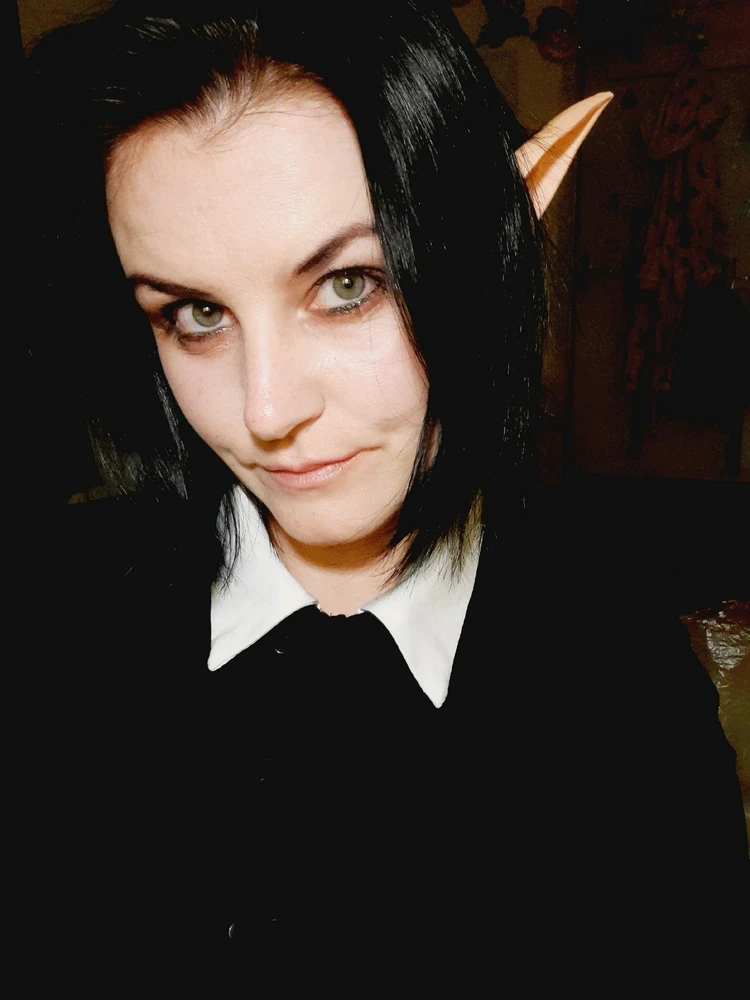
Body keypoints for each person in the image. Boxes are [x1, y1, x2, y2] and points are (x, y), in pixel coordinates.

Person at [19, 0, 747, 990]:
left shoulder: (621, 676)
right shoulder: (48, 624)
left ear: (482, 259)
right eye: (195, 313)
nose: (266, 411)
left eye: (348, 285)